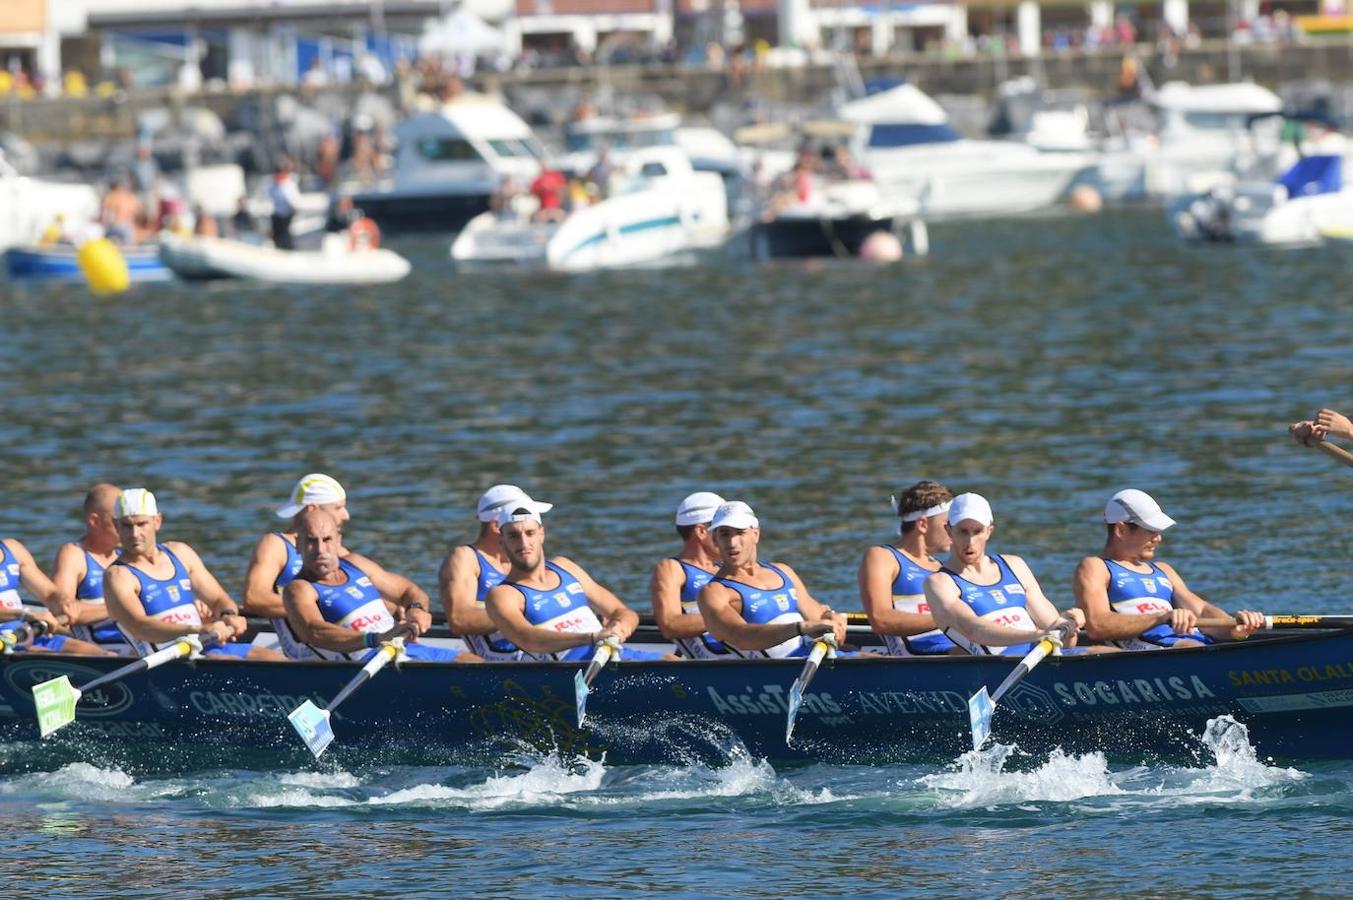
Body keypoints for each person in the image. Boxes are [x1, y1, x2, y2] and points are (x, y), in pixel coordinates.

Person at [1074, 489, 1266, 649]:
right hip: (1157, 653)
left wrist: (1234, 627)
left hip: (1192, 644)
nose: (1158, 538)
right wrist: (1161, 617)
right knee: (1190, 648)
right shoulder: (1096, 567)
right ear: (1121, 530)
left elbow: (1202, 611)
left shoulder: (1164, 569)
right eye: (1150, 530)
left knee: (1196, 645)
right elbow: (1098, 625)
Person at [104, 488, 281, 660]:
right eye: (126, 526)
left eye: (142, 524)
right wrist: (198, 629)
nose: (135, 534)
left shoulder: (180, 553)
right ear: (115, 526)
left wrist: (229, 617)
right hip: (169, 661)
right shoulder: (118, 575)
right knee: (221, 660)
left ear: (157, 521)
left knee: (275, 659)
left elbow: (219, 599)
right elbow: (140, 627)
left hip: (206, 646)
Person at [283, 508, 480, 662]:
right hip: (369, 661)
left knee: (475, 663)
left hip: (402, 648)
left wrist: (416, 609)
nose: (320, 549)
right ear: (298, 544)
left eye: (327, 540)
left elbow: (409, 591)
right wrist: (375, 639)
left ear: (338, 540)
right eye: (311, 541)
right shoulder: (299, 588)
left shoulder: (355, 563)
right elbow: (315, 631)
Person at [485, 497, 666, 661]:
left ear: (541, 534)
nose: (524, 544)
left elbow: (623, 611)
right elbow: (528, 638)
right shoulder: (503, 595)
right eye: (514, 536)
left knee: (672, 662)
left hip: (611, 655)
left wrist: (620, 627)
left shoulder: (565, 566)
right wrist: (592, 637)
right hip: (572, 672)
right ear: (501, 541)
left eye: (530, 533)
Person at [925, 493, 1091, 656]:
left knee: (1110, 654)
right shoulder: (939, 583)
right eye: (963, 531)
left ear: (989, 531)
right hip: (1001, 669)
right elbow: (973, 629)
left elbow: (1065, 642)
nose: (970, 541)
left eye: (977, 531)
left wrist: (1067, 624)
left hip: (1043, 658)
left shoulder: (1014, 565)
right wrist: (1039, 635)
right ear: (948, 531)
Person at [697, 501, 845, 657]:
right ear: (715, 540)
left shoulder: (783, 570)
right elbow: (740, 637)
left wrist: (831, 618)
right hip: (780, 672)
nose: (732, 543)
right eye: (724, 534)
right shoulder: (713, 592)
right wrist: (800, 628)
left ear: (756, 534)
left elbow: (818, 617)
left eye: (740, 533)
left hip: (815, 657)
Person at [438, 484, 553, 662]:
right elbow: (459, 619)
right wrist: (522, 612)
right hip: (502, 666)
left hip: (539, 652)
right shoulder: (466, 558)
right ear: (496, 526)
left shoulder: (522, 560)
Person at [242, 473, 350, 657]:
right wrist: (310, 609)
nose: (346, 515)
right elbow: (254, 598)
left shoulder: (339, 551)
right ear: (312, 508)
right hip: (305, 650)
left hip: (338, 638)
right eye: (338, 507)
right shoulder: (275, 545)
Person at [858, 480, 958, 656]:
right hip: (923, 656)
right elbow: (880, 619)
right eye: (947, 523)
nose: (953, 530)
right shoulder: (883, 557)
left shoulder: (942, 568)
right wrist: (948, 619)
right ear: (922, 524)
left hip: (958, 648)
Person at [650, 491, 736, 659]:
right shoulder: (672, 568)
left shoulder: (728, 566)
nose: (731, 538)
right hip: (721, 660)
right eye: (723, 530)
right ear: (701, 531)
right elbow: (669, 624)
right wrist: (730, 617)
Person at [50, 483, 131, 653]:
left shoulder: (128, 554)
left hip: (138, 642)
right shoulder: (74, 555)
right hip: (105, 652)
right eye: (119, 521)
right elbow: (62, 613)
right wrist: (123, 609)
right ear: (95, 521)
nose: (127, 528)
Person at [1, 535, 108, 655]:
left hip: (25, 634)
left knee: (105, 656)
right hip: (5, 643)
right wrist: (25, 615)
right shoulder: (24, 615)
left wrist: (64, 603)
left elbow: (49, 594)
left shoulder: (13, 549)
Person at [266, 158, 301, 250]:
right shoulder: (273, 186)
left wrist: (292, 212)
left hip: (286, 217)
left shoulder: (289, 186)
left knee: (285, 238)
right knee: (276, 239)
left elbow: (294, 203)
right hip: (276, 216)